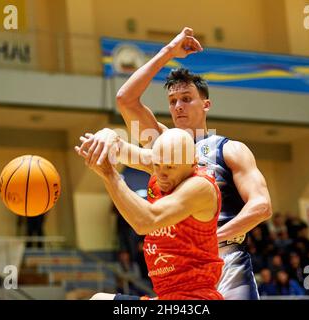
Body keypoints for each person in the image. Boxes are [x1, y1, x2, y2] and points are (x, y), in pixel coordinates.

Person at [79, 27, 272, 300]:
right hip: (178, 275)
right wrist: (168, 52)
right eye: (172, 101)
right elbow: (126, 100)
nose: (178, 106)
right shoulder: (162, 145)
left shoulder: (230, 149)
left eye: (186, 99)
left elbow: (261, 206)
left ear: (206, 105)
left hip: (227, 262)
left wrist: (211, 239)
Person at [76, 128, 224, 300]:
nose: (161, 174)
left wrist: (109, 174)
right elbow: (121, 148)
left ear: (193, 163)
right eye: (157, 165)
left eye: (170, 167)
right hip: (165, 297)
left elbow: (146, 221)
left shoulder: (201, 187)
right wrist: (108, 136)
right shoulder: (163, 167)